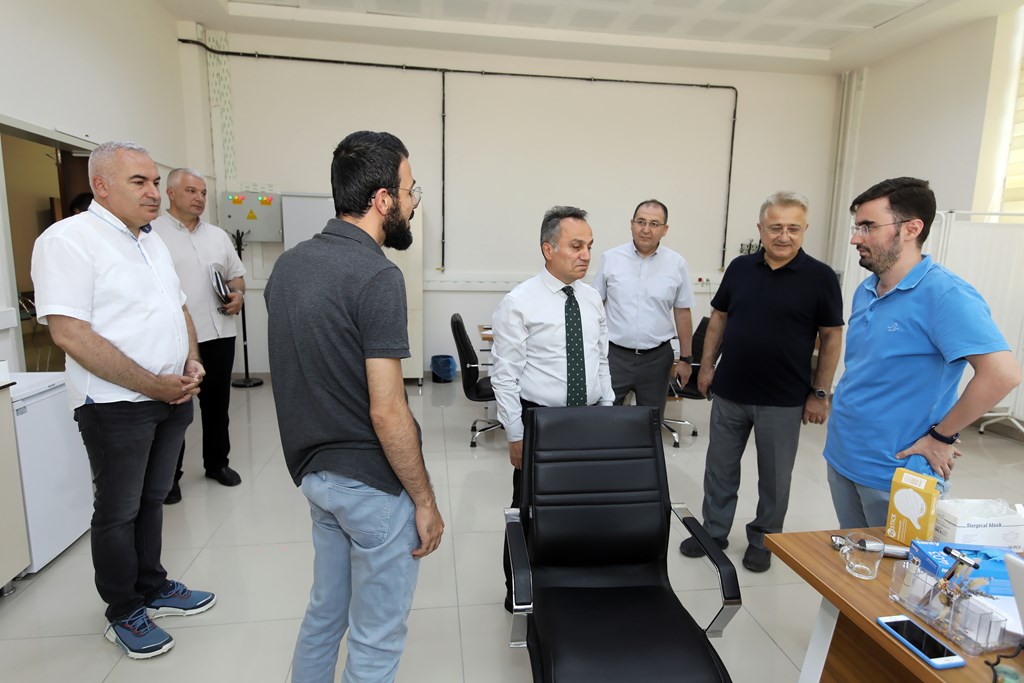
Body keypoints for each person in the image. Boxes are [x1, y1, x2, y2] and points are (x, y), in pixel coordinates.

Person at [265, 130, 444, 683]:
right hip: (372, 488)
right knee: (376, 638)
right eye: (410, 191)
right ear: (383, 199)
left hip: (317, 478)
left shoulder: (289, 266)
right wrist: (424, 500)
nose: (414, 203)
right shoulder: (377, 275)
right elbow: (387, 411)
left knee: (325, 614)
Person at [31, 141, 216, 660]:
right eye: (140, 182)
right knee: (117, 510)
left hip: (172, 395)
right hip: (114, 405)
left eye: (155, 181)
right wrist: (152, 384)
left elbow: (179, 309)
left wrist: (190, 360)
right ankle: (123, 610)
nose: (154, 192)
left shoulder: (150, 241)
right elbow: (70, 333)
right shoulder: (68, 240)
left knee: (153, 499)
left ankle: (152, 585)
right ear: (101, 186)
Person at [825, 177, 1021, 528]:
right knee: (853, 555)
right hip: (844, 456)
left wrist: (942, 436)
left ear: (911, 229)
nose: (856, 238)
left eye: (868, 227)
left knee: (894, 563)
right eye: (856, 227)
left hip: (898, 470)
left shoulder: (945, 294)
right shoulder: (867, 289)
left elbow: (1002, 374)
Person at [679, 192, 843, 572]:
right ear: (760, 229)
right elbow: (719, 319)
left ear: (804, 229)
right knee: (719, 469)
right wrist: (707, 367)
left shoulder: (820, 277)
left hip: (783, 399)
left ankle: (764, 539)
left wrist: (820, 393)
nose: (784, 236)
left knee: (775, 479)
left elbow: (832, 337)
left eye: (793, 228)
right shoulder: (740, 268)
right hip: (731, 391)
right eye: (775, 227)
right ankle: (714, 531)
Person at [490, 205, 615, 610]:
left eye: (589, 246)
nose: (586, 255)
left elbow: (600, 359)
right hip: (541, 421)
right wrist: (515, 433)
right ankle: (519, 592)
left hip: (590, 418)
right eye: (576, 246)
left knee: (584, 508)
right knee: (528, 512)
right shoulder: (519, 302)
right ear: (548, 249)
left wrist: (608, 408)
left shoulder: (591, 298)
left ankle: (571, 583)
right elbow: (504, 376)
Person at [152, 168, 246, 503]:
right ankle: (169, 477)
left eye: (203, 192)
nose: (199, 198)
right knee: (175, 409)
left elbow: (236, 277)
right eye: (191, 191)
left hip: (220, 332)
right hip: (177, 339)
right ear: (171, 193)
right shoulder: (152, 235)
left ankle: (217, 463)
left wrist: (238, 295)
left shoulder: (218, 236)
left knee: (217, 405)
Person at [593, 198, 695, 417]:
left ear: (665, 229)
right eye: (641, 222)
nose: (646, 229)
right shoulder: (610, 259)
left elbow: (682, 312)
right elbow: (595, 307)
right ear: (632, 224)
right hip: (614, 357)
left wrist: (686, 359)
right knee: (604, 419)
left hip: (656, 360)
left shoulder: (677, 264)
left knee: (650, 421)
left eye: (654, 224)